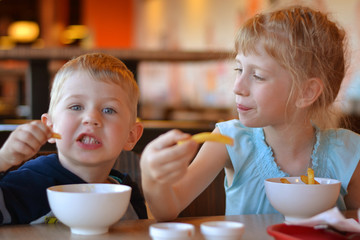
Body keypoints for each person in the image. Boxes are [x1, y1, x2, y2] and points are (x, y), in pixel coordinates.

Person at [140, 5, 360, 221]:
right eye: (239, 69)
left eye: (258, 76)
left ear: (306, 92)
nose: (237, 87)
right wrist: (151, 178)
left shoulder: (347, 153)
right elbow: (167, 209)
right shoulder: (228, 140)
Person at [0, 53, 147, 224]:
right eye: (76, 106)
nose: (91, 118)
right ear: (50, 126)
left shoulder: (126, 193)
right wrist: (3, 159)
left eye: (109, 110)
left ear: (131, 136)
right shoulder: (32, 182)